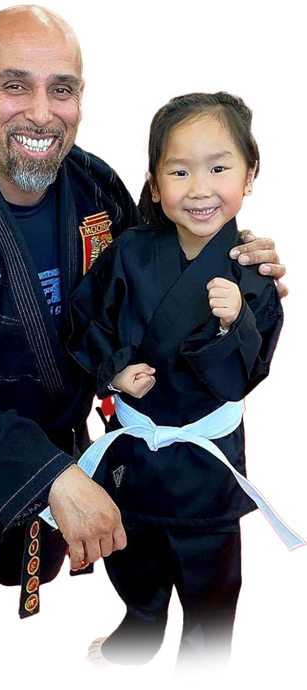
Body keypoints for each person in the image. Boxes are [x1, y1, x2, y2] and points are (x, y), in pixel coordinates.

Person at [0, 7, 286, 672]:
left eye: (60, 88)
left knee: (126, 519)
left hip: (55, 406)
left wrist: (238, 256)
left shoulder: (91, 181)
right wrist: (54, 475)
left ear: (80, 101)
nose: (39, 112)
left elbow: (161, 249)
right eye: (14, 86)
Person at [66, 91, 304, 669]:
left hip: (205, 457)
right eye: (179, 170)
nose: (199, 188)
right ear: (152, 182)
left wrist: (234, 326)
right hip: (136, 452)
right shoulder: (126, 255)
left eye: (219, 168)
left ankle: (207, 655)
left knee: (210, 572)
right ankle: (143, 624)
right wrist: (115, 369)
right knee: (131, 553)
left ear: (250, 175)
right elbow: (84, 321)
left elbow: (245, 377)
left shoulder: (252, 270)